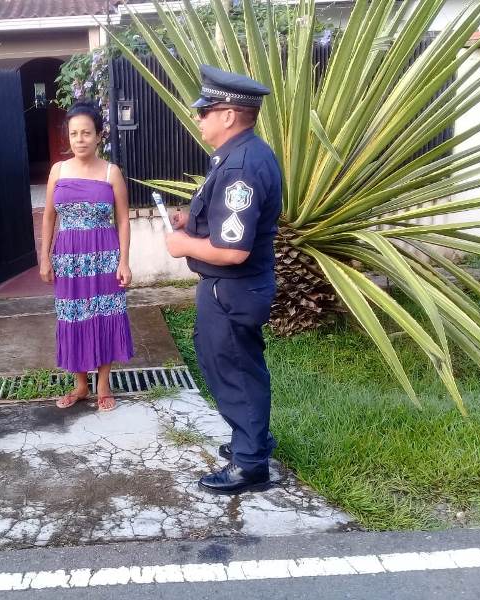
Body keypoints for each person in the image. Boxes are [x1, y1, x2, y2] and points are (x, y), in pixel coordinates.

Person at [165, 65, 282, 495]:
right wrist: (190, 221)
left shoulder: (239, 168)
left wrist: (183, 245)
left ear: (229, 115)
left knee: (234, 370)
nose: (198, 118)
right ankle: (252, 441)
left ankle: (250, 464)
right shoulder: (240, 156)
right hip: (232, 289)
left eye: (205, 111)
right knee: (236, 365)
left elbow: (233, 251)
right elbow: (227, 224)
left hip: (231, 288)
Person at [39, 101, 134, 412]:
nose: (79, 139)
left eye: (86, 133)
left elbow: (123, 219)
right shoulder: (58, 170)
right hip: (69, 258)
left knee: (105, 313)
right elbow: (49, 216)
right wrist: (45, 257)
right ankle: (80, 385)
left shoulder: (111, 172)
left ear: (99, 135)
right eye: (74, 133)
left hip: (105, 256)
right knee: (73, 315)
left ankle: (103, 384)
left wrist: (124, 261)